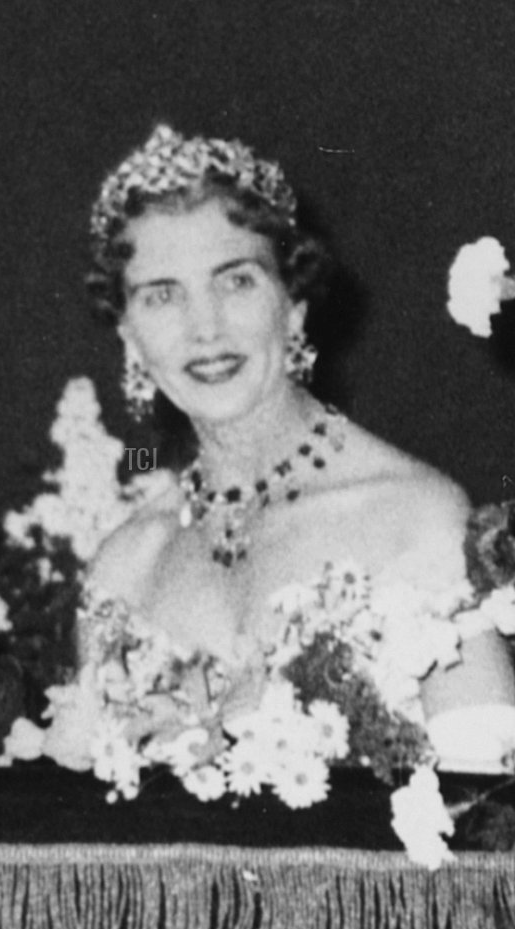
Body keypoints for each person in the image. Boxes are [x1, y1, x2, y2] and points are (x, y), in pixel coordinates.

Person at [58, 124, 515, 776]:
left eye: (236, 281)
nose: (204, 328)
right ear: (130, 332)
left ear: (293, 303)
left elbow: (490, 836)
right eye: (163, 295)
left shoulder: (417, 517)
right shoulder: (123, 568)